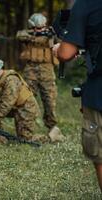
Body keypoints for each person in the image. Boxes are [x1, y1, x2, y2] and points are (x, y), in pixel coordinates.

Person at [53, 0, 102, 191]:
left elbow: (66, 53)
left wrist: (58, 49)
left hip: (99, 93)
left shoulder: (87, 3)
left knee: (100, 155)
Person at [16, 13, 64, 141]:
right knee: (26, 99)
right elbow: (19, 35)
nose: (40, 30)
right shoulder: (27, 34)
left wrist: (52, 36)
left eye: (41, 28)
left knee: (50, 100)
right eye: (36, 28)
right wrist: (36, 35)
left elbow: (62, 43)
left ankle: (53, 129)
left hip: (47, 70)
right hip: (30, 70)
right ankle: (26, 127)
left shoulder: (51, 34)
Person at [0, 57, 43, 142]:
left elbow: (7, 103)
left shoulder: (11, 80)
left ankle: (51, 137)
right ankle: (0, 136)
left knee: (25, 140)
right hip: (15, 107)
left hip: (26, 109)